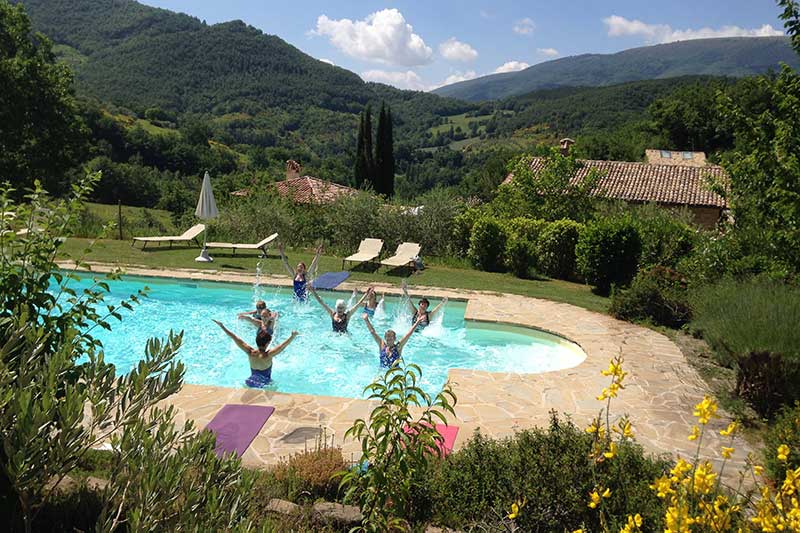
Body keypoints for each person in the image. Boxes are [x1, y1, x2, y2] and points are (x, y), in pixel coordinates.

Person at [213, 319, 298, 388]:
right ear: (267, 343)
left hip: (250, 382)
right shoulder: (268, 355)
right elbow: (283, 345)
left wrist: (222, 326)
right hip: (266, 385)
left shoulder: (250, 352)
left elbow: (234, 337)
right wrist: (292, 336)